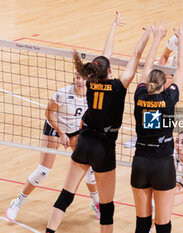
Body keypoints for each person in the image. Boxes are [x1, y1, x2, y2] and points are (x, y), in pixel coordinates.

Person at [45, 12, 151, 233]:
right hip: (104, 148)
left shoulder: (91, 82)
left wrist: (112, 26)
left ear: (94, 72)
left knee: (66, 195)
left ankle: (49, 231)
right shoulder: (119, 85)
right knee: (107, 206)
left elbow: (105, 55)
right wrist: (150, 35)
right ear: (110, 70)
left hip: (84, 143)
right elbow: (136, 55)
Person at [6, 70, 100, 221]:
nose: (80, 82)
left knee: (89, 170)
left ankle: (96, 203)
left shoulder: (91, 95)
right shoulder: (62, 94)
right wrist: (61, 133)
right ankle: (17, 202)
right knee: (43, 171)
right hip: (55, 128)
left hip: (75, 130)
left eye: (83, 79)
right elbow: (48, 114)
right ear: (73, 78)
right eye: (77, 78)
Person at [125, 17, 183, 156]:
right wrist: (159, 75)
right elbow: (165, 56)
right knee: (154, 100)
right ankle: (143, 135)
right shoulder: (175, 40)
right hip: (174, 72)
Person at [130, 22, 183, 233]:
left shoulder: (139, 96)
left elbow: (145, 69)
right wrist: (181, 40)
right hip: (162, 165)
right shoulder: (169, 99)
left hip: (140, 164)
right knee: (163, 224)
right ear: (164, 85)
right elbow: (182, 69)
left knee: (142, 224)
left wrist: (156, 39)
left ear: (147, 84)